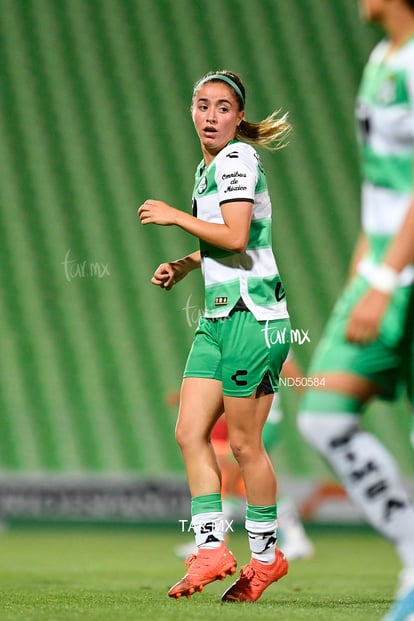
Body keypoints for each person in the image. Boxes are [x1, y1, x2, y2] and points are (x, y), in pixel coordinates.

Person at [138, 70, 291, 602]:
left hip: (255, 317)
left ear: (237, 117)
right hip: (218, 317)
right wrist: (185, 265)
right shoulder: (207, 169)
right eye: (202, 105)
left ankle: (266, 558)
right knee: (188, 431)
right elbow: (224, 244)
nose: (210, 115)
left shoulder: (237, 160)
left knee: (246, 445)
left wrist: (175, 217)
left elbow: (237, 235)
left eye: (223, 107)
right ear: (191, 110)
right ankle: (210, 548)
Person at [297, 2, 414, 620]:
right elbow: (384, 184)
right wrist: (363, 275)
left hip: (402, 276)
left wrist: (387, 276)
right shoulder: (380, 61)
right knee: (323, 418)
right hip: (383, 272)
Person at [172, 353, 314, 562]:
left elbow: (293, 374)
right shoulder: (236, 334)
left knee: (230, 474)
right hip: (244, 419)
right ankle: (295, 539)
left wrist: (311, 400)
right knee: (240, 483)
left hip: (264, 420)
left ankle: (213, 541)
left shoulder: (271, 331)